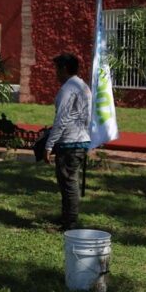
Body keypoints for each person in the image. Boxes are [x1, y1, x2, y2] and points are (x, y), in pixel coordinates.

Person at [44, 53, 92, 231]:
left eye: (56, 69)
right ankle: (66, 219)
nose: (55, 73)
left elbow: (62, 119)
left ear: (64, 69)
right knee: (68, 183)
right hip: (80, 140)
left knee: (69, 184)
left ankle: (69, 224)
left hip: (70, 143)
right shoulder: (82, 86)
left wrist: (49, 145)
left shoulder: (68, 88)